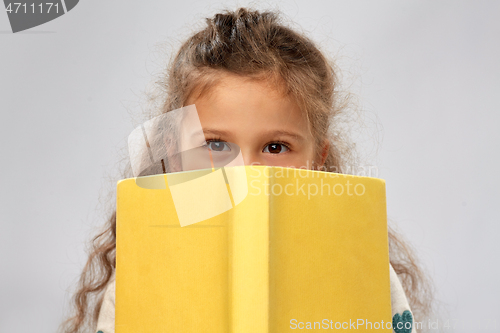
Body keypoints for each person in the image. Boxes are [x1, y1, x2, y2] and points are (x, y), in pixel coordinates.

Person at [60, 7, 433, 333]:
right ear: (175, 156)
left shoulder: (360, 268)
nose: (247, 171)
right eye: (216, 145)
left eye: (275, 147)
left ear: (318, 160)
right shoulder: (144, 270)